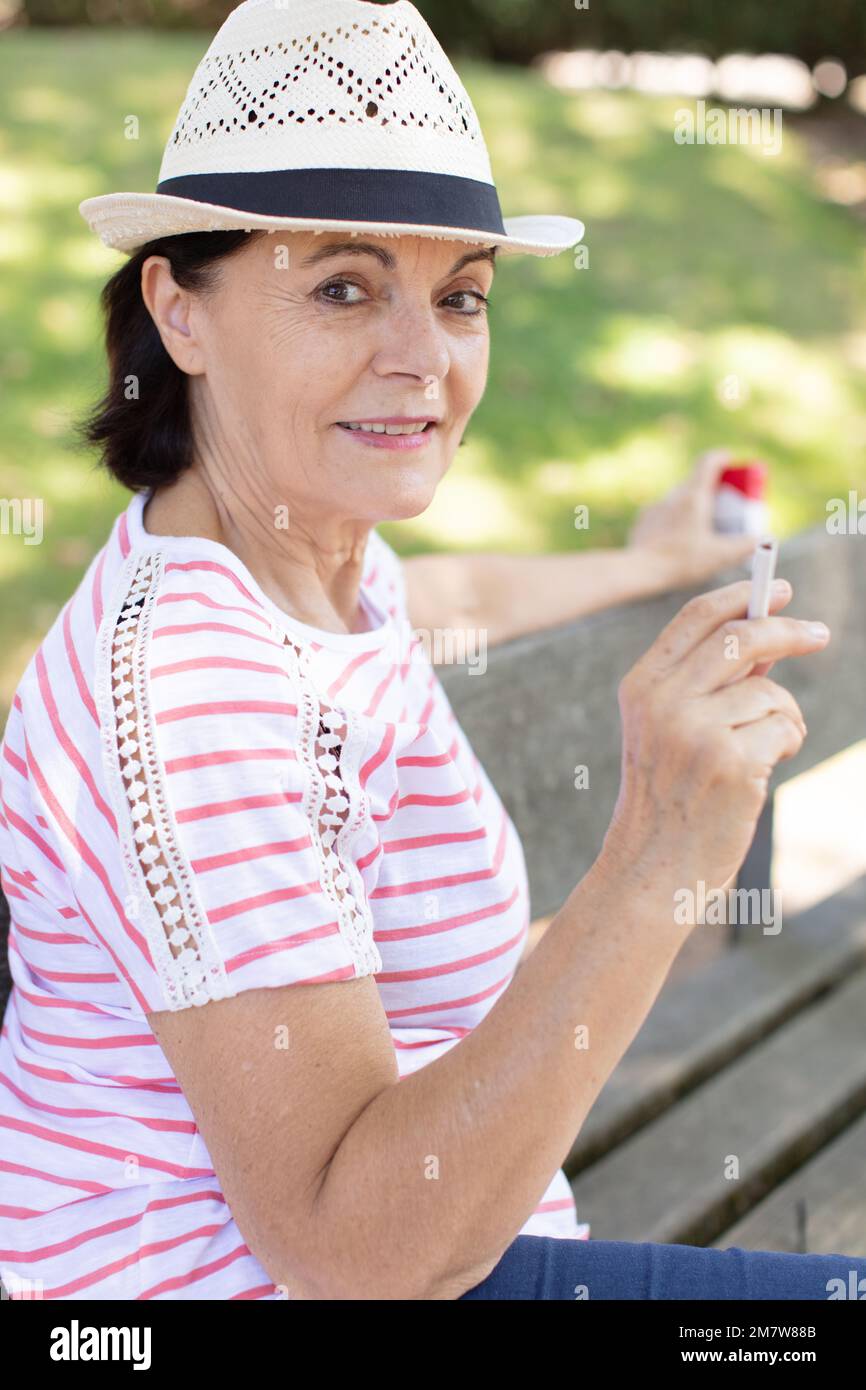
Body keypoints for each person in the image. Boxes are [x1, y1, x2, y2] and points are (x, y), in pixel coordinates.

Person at [0, 0, 857, 1300]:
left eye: (459, 295)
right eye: (343, 287)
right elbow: (355, 1258)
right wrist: (662, 848)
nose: (421, 360)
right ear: (179, 308)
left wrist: (648, 561)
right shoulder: (196, 698)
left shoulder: (294, 556)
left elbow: (456, 589)